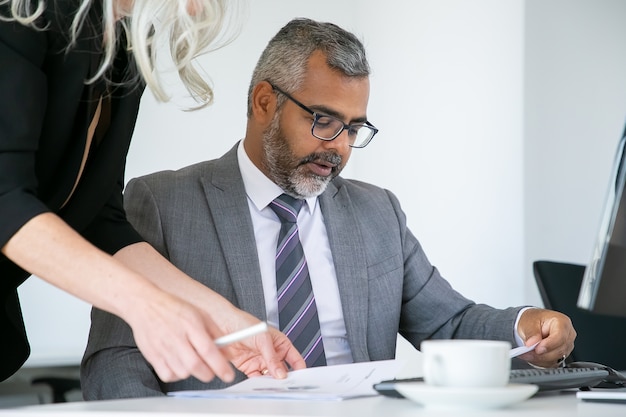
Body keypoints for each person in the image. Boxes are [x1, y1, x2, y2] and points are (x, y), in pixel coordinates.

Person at [81, 17, 577, 399]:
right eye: (323, 120)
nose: (338, 147)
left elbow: (448, 324)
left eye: (354, 128)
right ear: (263, 103)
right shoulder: (163, 203)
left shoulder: (378, 212)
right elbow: (115, 362)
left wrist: (525, 325)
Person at [0, 0, 305, 384]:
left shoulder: (126, 47)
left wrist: (223, 318)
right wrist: (145, 306)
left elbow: (100, 219)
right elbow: (6, 202)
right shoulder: (22, 13)